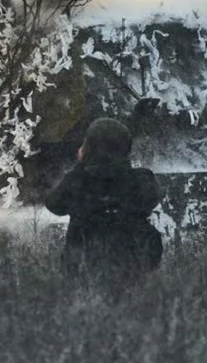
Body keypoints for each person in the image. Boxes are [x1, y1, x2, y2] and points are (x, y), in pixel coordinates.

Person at [44, 117, 162, 284]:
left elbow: (54, 204)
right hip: (132, 266)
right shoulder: (141, 179)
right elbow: (152, 199)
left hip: (84, 268)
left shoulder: (78, 181)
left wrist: (81, 165)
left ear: (89, 148)